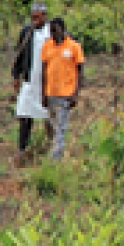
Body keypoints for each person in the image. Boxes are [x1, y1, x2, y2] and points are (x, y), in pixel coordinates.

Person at [11, 2, 53, 167]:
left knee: (48, 117)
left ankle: (52, 149)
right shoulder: (26, 32)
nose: (35, 21)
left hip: (46, 82)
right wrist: (16, 76)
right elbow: (19, 54)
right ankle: (22, 149)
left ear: (45, 16)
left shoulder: (52, 32)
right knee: (24, 115)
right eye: (33, 18)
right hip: (29, 80)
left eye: (38, 18)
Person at [41, 18, 84, 160]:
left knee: (61, 128)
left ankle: (56, 160)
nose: (53, 33)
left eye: (55, 30)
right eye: (51, 31)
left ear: (63, 29)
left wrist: (75, 94)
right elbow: (44, 70)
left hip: (66, 94)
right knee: (51, 126)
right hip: (50, 93)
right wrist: (43, 94)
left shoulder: (74, 46)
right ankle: (54, 152)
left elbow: (80, 72)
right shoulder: (47, 46)